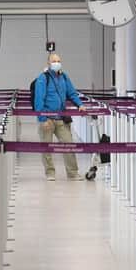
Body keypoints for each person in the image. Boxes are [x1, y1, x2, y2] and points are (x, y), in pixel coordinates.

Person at [34, 53, 86, 181]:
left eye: (58, 61)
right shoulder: (43, 78)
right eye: (54, 61)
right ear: (48, 63)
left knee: (69, 144)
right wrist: (42, 119)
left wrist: (80, 105)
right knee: (46, 148)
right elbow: (38, 100)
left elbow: (72, 93)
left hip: (61, 118)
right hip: (47, 118)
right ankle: (50, 173)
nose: (57, 63)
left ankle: (73, 173)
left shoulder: (64, 77)